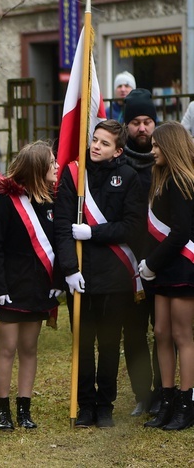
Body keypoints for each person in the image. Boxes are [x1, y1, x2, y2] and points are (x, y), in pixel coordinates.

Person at [55, 120, 145, 428]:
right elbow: (62, 226)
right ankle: (85, 405)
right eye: (94, 140)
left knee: (108, 343)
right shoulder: (73, 175)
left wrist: (92, 232)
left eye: (104, 143)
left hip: (115, 274)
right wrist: (68, 269)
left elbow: (132, 227)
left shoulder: (130, 177)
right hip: (80, 274)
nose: (95, 146)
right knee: (82, 342)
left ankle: (105, 405)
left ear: (118, 150)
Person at [0, 141, 60, 430]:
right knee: (8, 348)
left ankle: (24, 409)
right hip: (10, 289)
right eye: (51, 162)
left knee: (29, 348)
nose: (56, 167)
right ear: (37, 168)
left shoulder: (52, 201)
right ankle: (2, 410)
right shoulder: (6, 201)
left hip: (38, 287)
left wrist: (55, 282)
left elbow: (56, 245)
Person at [138, 122, 194, 430]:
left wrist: (151, 263)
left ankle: (187, 404)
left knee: (182, 335)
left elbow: (181, 232)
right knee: (160, 332)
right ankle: (168, 398)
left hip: (182, 267)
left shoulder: (182, 182)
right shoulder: (160, 179)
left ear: (171, 146)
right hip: (162, 269)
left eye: (158, 145)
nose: (153, 150)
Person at [123, 88, 162, 416]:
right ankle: (142, 394)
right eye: (135, 122)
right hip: (128, 262)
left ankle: (164, 390)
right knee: (133, 332)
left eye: (147, 121)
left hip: (164, 262)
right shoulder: (117, 162)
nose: (142, 128)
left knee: (164, 330)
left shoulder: (166, 160)